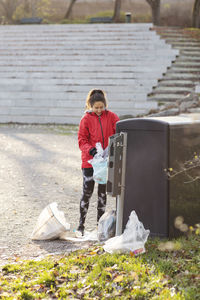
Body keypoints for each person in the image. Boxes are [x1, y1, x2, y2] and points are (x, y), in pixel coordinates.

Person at [76, 89, 120, 236]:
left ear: (105, 105)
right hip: (90, 162)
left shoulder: (112, 117)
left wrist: (112, 148)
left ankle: (99, 226)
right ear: (90, 106)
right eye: (96, 108)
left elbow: (118, 133)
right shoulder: (86, 119)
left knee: (102, 194)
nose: (99, 110)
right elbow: (82, 140)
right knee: (87, 192)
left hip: (105, 163)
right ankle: (81, 225)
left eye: (102, 107)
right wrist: (91, 150)